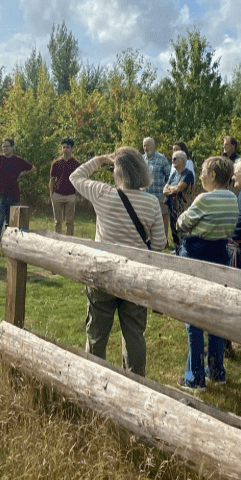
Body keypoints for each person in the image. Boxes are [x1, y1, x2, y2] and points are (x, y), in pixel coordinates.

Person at [70, 147, 166, 376]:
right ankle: (134, 381)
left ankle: (92, 379)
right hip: (135, 276)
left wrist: (99, 159)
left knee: (97, 334)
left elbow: (75, 177)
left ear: (118, 171)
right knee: (134, 334)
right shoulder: (151, 202)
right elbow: (161, 243)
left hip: (102, 272)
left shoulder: (102, 193)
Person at [175, 156, 239, 390]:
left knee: (194, 317)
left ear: (213, 175)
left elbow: (181, 223)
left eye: (203, 171)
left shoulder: (204, 199)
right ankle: (217, 372)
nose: (200, 175)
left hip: (196, 256)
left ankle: (195, 377)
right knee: (215, 316)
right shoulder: (233, 198)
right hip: (221, 254)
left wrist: (187, 222)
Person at [163, 150, 194, 249]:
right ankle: (177, 248)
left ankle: (183, 249)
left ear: (182, 160)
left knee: (181, 229)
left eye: (175, 158)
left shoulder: (187, 174)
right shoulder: (174, 174)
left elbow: (179, 188)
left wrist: (172, 188)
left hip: (182, 206)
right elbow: (165, 189)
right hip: (171, 205)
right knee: (173, 228)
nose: (172, 160)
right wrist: (173, 188)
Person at [49, 138, 81, 236]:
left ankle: (69, 241)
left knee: (70, 221)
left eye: (68, 147)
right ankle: (58, 240)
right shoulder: (56, 163)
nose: (65, 149)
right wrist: (52, 195)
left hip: (70, 195)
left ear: (72, 149)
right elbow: (52, 180)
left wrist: (76, 195)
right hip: (57, 194)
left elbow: (79, 181)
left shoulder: (76, 164)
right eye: (63, 147)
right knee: (57, 221)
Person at [142, 137, 171, 242]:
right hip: (146, 195)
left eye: (148, 145)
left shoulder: (161, 158)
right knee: (147, 218)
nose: (145, 148)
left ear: (153, 146)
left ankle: (164, 240)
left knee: (163, 217)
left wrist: (166, 191)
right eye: (144, 145)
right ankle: (150, 239)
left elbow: (169, 175)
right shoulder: (142, 159)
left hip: (159, 195)